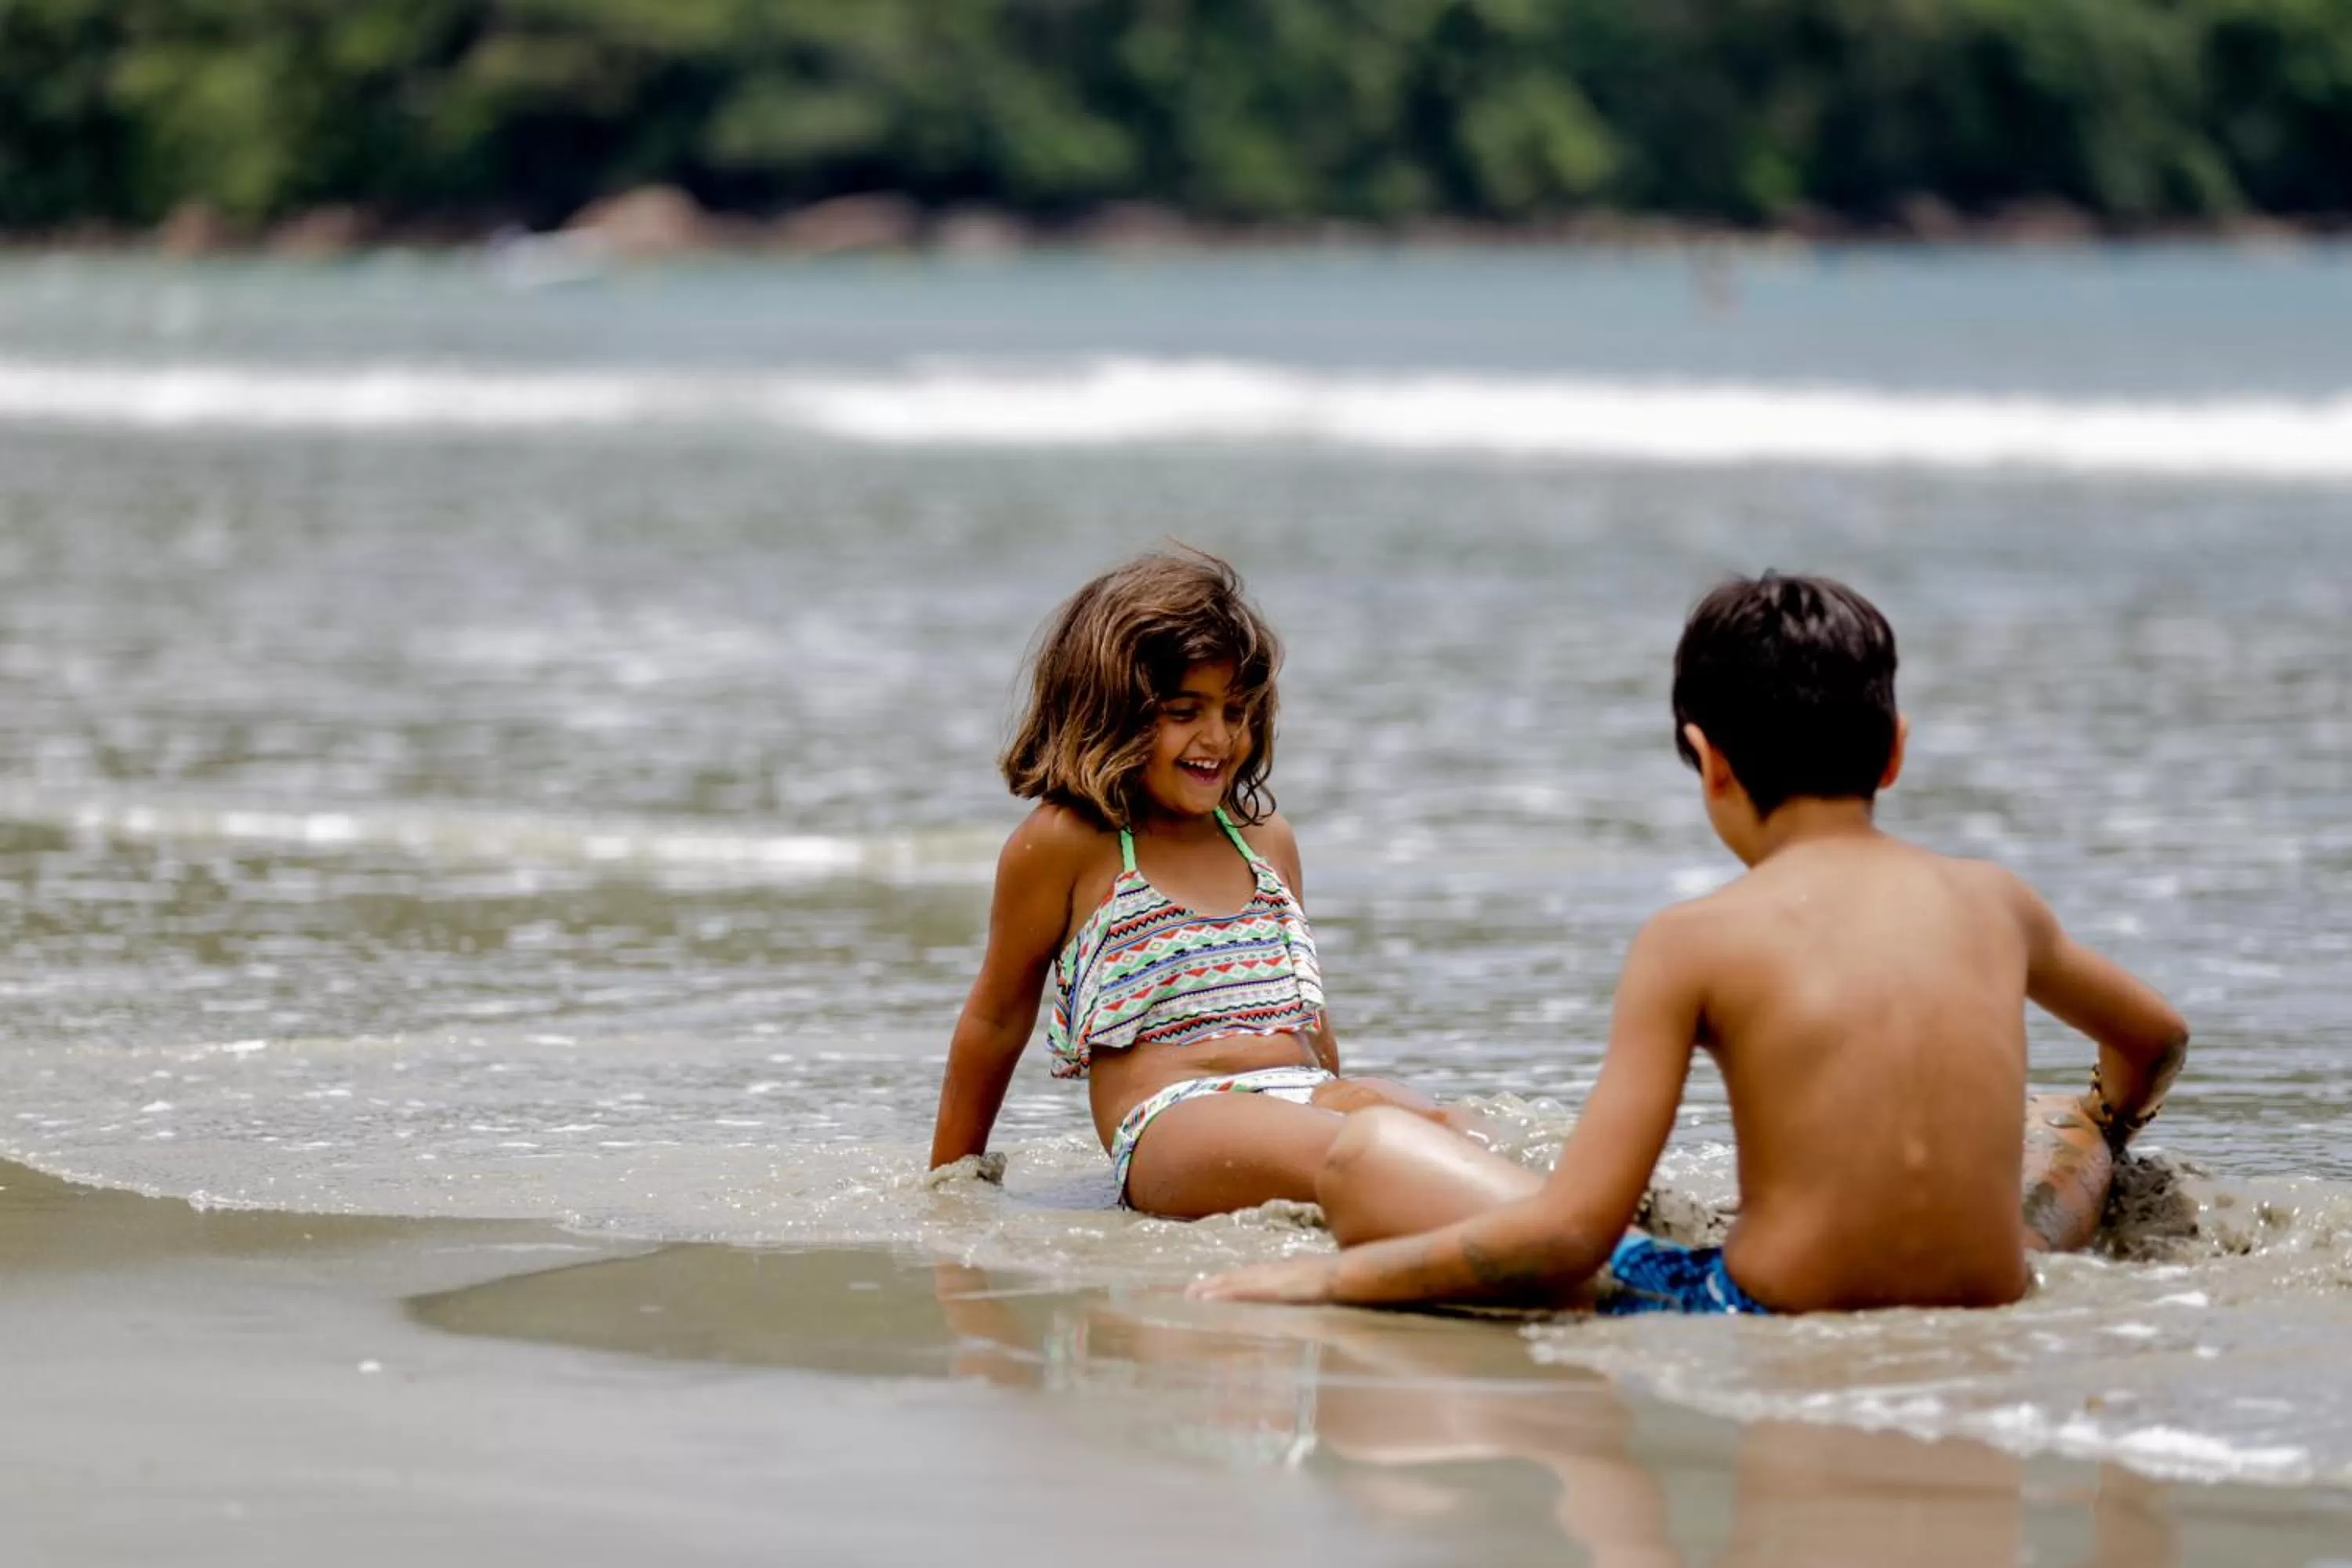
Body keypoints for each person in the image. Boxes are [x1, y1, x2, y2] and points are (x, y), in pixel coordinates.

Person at [1193, 572, 2187, 1314]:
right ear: (1894, 749)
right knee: (2075, 1126)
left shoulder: (1695, 941)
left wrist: (1323, 1280)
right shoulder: (1994, 901)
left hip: (1762, 1308)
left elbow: (1571, 1232)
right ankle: (2087, 1134)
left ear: (1708, 762)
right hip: (1996, 1291)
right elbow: (2158, 1037)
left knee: (1370, 1153)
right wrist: (2111, 1114)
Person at [927, 547, 1534, 1236]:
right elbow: (996, 1018)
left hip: (1303, 1098)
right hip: (1176, 1121)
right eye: (1185, 711)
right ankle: (1563, 1242)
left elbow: (1308, 1019)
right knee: (1370, 1152)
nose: (1218, 737)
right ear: (1111, 711)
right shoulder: (1069, 842)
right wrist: (951, 1182)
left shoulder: (1263, 837)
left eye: (1237, 710)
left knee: (1453, 1128)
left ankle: (1575, 1232)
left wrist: (1343, 1091)